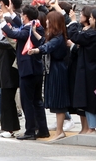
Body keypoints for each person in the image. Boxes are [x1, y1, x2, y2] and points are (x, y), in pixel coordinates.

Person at [2, 4, 48, 140]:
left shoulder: (28, 30)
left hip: (27, 70)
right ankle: (43, 129)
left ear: (26, 16)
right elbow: (20, 25)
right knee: (37, 101)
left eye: (22, 15)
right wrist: (11, 12)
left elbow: (13, 33)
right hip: (37, 69)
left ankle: (30, 131)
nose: (21, 17)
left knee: (27, 102)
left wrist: (2, 21)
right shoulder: (37, 26)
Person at [28, 11, 72, 140]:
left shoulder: (58, 38)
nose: (46, 22)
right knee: (56, 100)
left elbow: (47, 46)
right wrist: (35, 32)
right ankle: (59, 130)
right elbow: (45, 42)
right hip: (54, 69)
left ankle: (60, 131)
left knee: (59, 100)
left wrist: (36, 50)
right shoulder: (56, 36)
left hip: (58, 70)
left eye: (48, 20)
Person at [68, 7, 96, 135]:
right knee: (95, 98)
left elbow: (74, 36)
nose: (89, 19)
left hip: (88, 70)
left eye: (91, 17)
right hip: (94, 69)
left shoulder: (92, 34)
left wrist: (73, 21)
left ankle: (91, 127)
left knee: (89, 98)